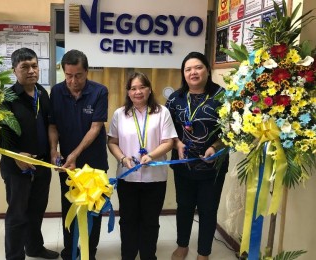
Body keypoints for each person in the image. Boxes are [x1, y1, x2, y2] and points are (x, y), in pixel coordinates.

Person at [165, 52, 229, 260]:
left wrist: (216, 146)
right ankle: (182, 245)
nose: (193, 72)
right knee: (184, 207)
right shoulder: (175, 99)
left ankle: (204, 253)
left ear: (207, 70)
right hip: (183, 164)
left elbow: (233, 130)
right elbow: (167, 130)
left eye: (198, 67)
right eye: (188, 69)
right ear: (183, 74)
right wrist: (177, 143)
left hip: (213, 166)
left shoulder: (223, 97)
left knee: (208, 210)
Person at [107, 72, 177, 260]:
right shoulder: (119, 114)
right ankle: (128, 255)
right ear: (128, 92)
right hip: (127, 177)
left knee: (150, 222)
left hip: (155, 178)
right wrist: (122, 158)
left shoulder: (162, 112)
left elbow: (169, 141)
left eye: (142, 87)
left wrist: (151, 156)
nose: (138, 92)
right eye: (133, 88)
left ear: (149, 89)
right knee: (128, 220)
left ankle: (148, 255)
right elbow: (112, 142)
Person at [48, 49, 109, 260]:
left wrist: (73, 153)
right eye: (68, 75)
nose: (73, 81)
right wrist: (54, 150)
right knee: (70, 207)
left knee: (93, 209)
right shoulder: (56, 92)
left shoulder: (100, 91)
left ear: (87, 72)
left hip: (94, 164)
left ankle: (89, 252)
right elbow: (53, 125)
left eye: (78, 75)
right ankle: (70, 251)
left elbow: (95, 128)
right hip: (67, 164)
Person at [0, 48, 59, 260]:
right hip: (17, 167)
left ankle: (34, 248)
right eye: (25, 67)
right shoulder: (6, 98)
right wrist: (16, 155)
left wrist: (52, 150)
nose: (31, 71)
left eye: (34, 65)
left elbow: (50, 124)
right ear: (14, 70)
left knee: (36, 211)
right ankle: (14, 256)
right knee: (17, 215)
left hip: (41, 165)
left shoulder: (42, 93)